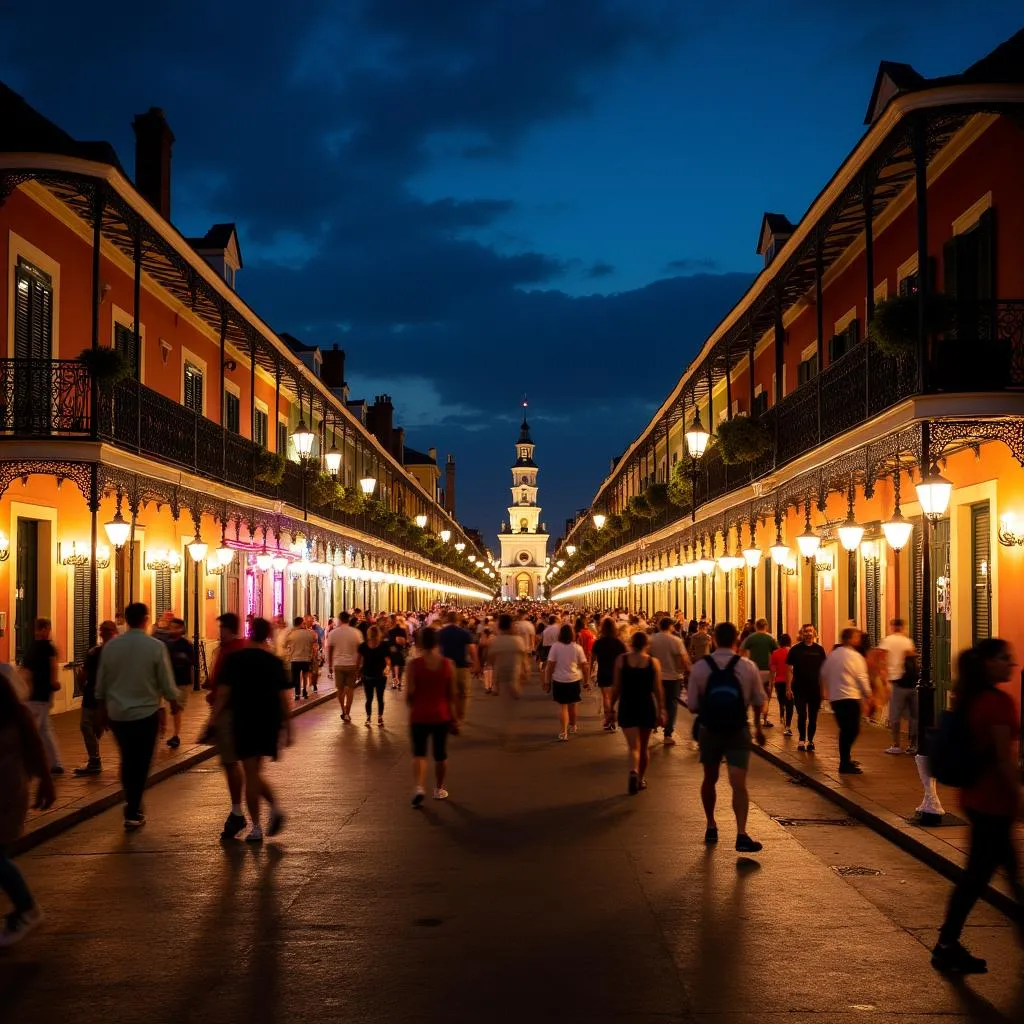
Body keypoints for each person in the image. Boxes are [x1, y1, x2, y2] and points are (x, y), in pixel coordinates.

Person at [933, 639, 1023, 975]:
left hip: (976, 799)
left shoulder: (970, 698)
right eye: (1004, 659)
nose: (1011, 665)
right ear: (988, 663)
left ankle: (948, 943)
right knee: (979, 877)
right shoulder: (997, 704)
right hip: (993, 802)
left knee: (1000, 873)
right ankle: (946, 944)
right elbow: (1003, 759)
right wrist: (1018, 796)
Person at [94, 602, 181, 830]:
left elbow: (101, 682)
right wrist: (174, 701)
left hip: (118, 714)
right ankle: (133, 807)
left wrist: (101, 711)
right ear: (144, 619)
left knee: (127, 757)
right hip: (145, 713)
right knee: (141, 762)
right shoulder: (154, 647)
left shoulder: (111, 647)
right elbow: (165, 679)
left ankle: (132, 802)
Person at [687, 621, 766, 853]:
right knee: (738, 784)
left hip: (710, 730)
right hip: (738, 730)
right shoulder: (748, 666)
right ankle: (741, 834)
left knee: (709, 778)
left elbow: (691, 705)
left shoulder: (701, 667)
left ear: (713, 640)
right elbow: (759, 700)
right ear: (736, 641)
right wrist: (759, 728)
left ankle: (711, 825)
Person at [214, 617, 290, 843]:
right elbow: (283, 698)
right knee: (253, 773)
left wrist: (213, 718)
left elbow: (223, 692)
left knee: (251, 774)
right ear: (268, 635)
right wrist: (289, 727)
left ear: (249, 632)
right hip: (267, 721)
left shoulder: (235, 659)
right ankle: (274, 810)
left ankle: (257, 825)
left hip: (243, 719)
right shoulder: (274, 662)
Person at [0, 665, 56, 947]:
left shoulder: (15, 716)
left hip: (7, 792)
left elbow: (35, 747)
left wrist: (47, 782)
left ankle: (26, 908)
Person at [405, 626, 457, 805]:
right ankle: (439, 788)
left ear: (419, 643)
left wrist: (413, 705)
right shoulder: (446, 664)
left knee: (419, 754)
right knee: (440, 755)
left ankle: (419, 786)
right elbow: (451, 694)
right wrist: (454, 717)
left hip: (419, 715)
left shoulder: (414, 665)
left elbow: (409, 692)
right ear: (437, 642)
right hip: (440, 715)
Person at [608, 631, 665, 793]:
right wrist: (661, 709)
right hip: (646, 705)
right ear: (647, 645)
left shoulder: (621, 660)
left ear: (631, 643)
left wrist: (611, 708)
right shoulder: (653, 663)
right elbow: (658, 689)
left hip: (627, 704)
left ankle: (633, 770)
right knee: (644, 746)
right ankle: (640, 779)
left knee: (634, 746)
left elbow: (616, 687)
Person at [207, 613, 247, 839]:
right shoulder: (227, 649)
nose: (218, 633)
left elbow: (227, 687)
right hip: (228, 711)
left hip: (230, 712)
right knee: (233, 763)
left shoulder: (234, 650)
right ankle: (238, 811)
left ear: (229, 629)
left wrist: (215, 715)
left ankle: (237, 812)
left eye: (220, 628)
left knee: (232, 762)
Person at [821, 627, 873, 774]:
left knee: (846, 729)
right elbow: (862, 678)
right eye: (856, 636)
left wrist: (827, 690)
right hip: (850, 697)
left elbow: (824, 673)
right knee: (851, 730)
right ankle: (844, 762)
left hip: (836, 698)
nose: (858, 639)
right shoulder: (855, 656)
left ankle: (846, 759)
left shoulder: (833, 655)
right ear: (849, 639)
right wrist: (869, 695)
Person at [73, 619, 117, 776]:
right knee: (87, 726)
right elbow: (83, 674)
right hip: (94, 695)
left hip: (108, 697)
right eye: (102, 631)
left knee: (98, 727)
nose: (104, 634)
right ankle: (94, 759)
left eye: (107, 631)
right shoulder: (94, 653)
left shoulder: (113, 653)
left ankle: (95, 759)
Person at [22, 618, 62, 774]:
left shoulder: (32, 648)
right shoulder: (47, 647)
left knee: (38, 728)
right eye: (46, 629)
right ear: (44, 629)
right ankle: (53, 762)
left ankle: (44, 763)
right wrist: (53, 682)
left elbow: (25, 671)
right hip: (40, 693)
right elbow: (53, 665)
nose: (47, 632)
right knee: (41, 729)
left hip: (36, 693)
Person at [543, 624, 590, 741]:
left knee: (563, 706)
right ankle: (573, 726)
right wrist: (586, 680)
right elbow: (585, 665)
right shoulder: (577, 648)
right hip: (574, 679)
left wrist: (547, 681)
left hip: (559, 680)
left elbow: (550, 666)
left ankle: (563, 732)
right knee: (573, 704)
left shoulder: (555, 647)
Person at [648, 616, 690, 746]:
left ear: (659, 626)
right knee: (671, 705)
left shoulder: (652, 639)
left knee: (655, 701)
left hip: (656, 677)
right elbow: (684, 659)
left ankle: (653, 723)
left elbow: (647, 657)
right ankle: (667, 734)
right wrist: (689, 671)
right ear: (671, 626)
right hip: (673, 677)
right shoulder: (676, 640)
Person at [880, 618, 918, 755]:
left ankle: (896, 745)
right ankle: (913, 745)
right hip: (911, 682)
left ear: (892, 627)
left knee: (894, 715)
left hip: (896, 681)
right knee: (914, 715)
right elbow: (913, 658)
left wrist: (884, 680)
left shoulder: (887, 641)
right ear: (902, 627)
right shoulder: (908, 641)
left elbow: (882, 660)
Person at [786, 624, 827, 752]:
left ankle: (811, 741)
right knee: (802, 714)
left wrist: (823, 690)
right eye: (806, 631)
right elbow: (789, 669)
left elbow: (823, 671)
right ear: (802, 634)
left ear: (814, 633)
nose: (808, 633)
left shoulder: (819, 650)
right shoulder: (795, 649)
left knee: (813, 716)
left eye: (810, 631)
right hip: (799, 688)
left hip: (814, 689)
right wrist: (788, 688)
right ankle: (801, 739)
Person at [437, 612, 478, 725]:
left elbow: (436, 650)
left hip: (445, 668)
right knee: (463, 693)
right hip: (461, 667)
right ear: (458, 620)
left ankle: (450, 715)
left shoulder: (440, 633)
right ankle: (459, 716)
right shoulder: (464, 633)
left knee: (447, 693)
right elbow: (472, 649)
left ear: (446, 619)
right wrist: (476, 663)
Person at [163, 617, 194, 749]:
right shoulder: (166, 644)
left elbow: (192, 662)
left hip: (182, 681)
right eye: (171, 627)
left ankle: (175, 735)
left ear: (181, 629)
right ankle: (165, 730)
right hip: (168, 680)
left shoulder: (186, 645)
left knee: (177, 709)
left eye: (175, 627)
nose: (172, 629)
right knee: (165, 707)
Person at [741, 618, 778, 729]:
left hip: (753, 669)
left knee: (750, 693)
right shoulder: (770, 638)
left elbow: (742, 651)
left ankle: (746, 717)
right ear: (766, 626)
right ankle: (764, 718)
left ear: (756, 626)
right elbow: (775, 653)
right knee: (766, 694)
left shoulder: (750, 638)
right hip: (766, 670)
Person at [326, 612, 362, 722]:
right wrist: (358, 665)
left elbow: (330, 650)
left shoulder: (333, 633)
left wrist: (330, 665)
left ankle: (343, 710)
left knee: (340, 689)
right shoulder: (356, 632)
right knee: (350, 689)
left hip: (338, 664)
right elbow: (360, 650)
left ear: (340, 619)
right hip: (351, 664)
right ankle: (348, 711)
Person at [591, 617, 626, 731]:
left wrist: (591, 670)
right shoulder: (619, 643)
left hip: (603, 671)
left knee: (606, 697)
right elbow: (625, 657)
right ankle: (613, 716)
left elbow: (593, 658)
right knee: (614, 697)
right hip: (617, 673)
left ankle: (608, 719)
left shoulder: (598, 642)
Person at [486, 614, 529, 700]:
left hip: (499, 674)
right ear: (511, 626)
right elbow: (524, 658)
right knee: (514, 693)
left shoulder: (496, 641)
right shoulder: (518, 640)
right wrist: (525, 670)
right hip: (514, 672)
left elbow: (490, 659)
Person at [358, 626, 390, 727]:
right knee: (376, 698)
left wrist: (387, 667)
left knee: (371, 698)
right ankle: (376, 718)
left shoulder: (365, 646)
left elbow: (359, 660)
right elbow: (388, 659)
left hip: (374, 675)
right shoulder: (364, 646)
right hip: (373, 675)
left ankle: (372, 718)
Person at [283, 616, 315, 701]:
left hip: (294, 659)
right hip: (306, 659)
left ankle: (297, 693)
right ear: (300, 624)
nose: (305, 624)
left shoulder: (291, 634)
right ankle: (304, 691)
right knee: (305, 675)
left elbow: (285, 645)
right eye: (304, 623)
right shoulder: (309, 633)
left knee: (296, 677)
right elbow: (313, 643)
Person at [769, 633, 794, 737]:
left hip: (779, 681)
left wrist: (771, 682)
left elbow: (773, 670)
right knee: (790, 703)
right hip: (791, 681)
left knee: (782, 700)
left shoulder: (775, 653)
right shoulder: (792, 652)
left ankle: (781, 709)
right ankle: (788, 726)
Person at [387, 616, 408, 690]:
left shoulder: (390, 631)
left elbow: (389, 642)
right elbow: (406, 640)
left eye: (389, 621)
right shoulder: (402, 629)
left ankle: (395, 682)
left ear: (392, 621)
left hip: (394, 651)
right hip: (400, 651)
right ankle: (398, 682)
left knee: (394, 667)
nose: (387, 622)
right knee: (399, 667)